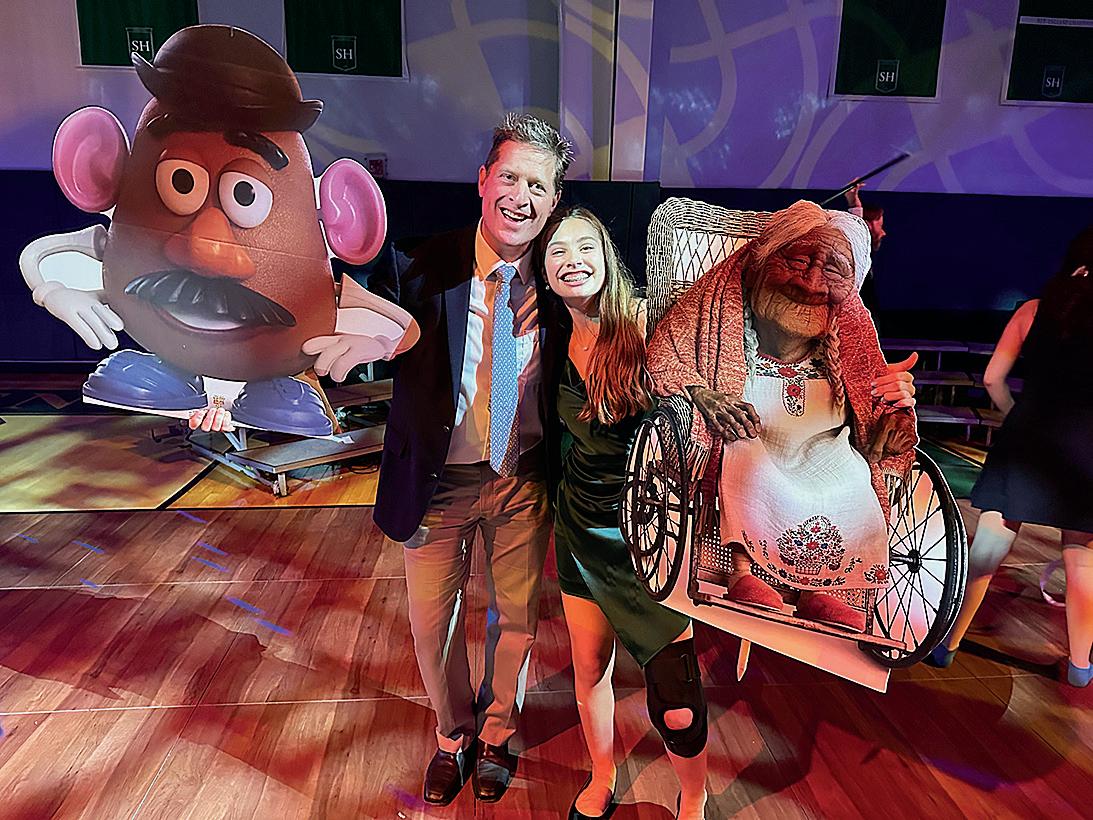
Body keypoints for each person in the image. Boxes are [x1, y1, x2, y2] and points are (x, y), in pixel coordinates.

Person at [366, 113, 570, 805]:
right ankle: (452, 735)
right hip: (437, 482)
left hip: (522, 479)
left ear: (554, 201)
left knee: (515, 622)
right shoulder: (420, 267)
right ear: (482, 180)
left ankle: (496, 734)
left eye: (538, 185)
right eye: (510, 177)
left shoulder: (564, 281)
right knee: (433, 627)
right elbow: (346, 308)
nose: (521, 196)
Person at [647, 201, 918, 633]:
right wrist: (703, 394)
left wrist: (893, 419)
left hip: (823, 442)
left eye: (832, 269)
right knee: (744, 454)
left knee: (851, 474)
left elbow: (875, 391)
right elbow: (665, 352)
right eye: (797, 261)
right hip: (753, 433)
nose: (811, 283)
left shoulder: (850, 322)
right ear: (762, 260)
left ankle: (824, 588)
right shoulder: (717, 298)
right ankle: (743, 572)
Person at [538, 206, 709, 820]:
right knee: (589, 670)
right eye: (557, 251)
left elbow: (724, 374)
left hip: (654, 532)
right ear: (543, 269)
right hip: (581, 527)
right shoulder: (549, 339)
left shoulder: (647, 325)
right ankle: (602, 775)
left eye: (585, 246)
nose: (573, 260)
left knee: (676, 694)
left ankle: (695, 794)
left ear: (607, 255)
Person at [927, 227, 1093, 687]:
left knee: (987, 549)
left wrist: (1017, 416)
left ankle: (947, 644)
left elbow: (992, 379)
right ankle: (1081, 666)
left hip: (1026, 440)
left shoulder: (1033, 310)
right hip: (1086, 448)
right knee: (1081, 558)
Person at [844, 183, 885, 313]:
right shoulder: (857, 248)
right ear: (868, 225)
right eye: (880, 226)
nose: (883, 233)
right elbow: (858, 228)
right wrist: (854, 203)